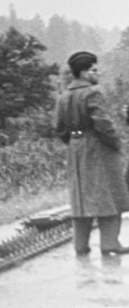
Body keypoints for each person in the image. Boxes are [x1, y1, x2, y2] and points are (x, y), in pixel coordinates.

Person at [55, 51, 129, 256]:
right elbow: (102, 123)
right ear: (84, 72)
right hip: (97, 146)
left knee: (80, 197)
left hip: (75, 147)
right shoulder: (93, 93)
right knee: (109, 192)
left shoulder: (64, 95)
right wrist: (115, 143)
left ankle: (80, 245)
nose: (98, 73)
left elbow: (59, 128)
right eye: (94, 70)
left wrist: (74, 142)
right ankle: (110, 243)